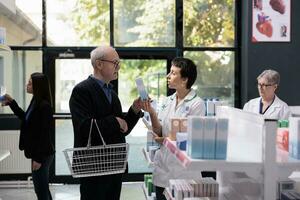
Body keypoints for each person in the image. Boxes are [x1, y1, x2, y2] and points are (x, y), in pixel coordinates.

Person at [69, 45, 143, 200]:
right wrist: (115, 121)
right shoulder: (81, 90)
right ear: (99, 64)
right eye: (115, 63)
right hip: (93, 167)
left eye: (119, 63)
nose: (119, 67)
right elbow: (84, 127)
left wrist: (134, 110)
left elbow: (122, 128)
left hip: (115, 164)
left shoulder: (111, 92)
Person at [141, 57, 206, 200]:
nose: (168, 76)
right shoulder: (167, 101)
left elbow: (190, 138)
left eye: (173, 73)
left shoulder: (197, 104)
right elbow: (159, 130)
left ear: (184, 80)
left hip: (184, 172)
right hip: (163, 171)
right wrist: (151, 112)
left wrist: (164, 140)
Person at [1, 72, 54, 200]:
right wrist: (12, 102)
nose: (27, 85)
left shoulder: (44, 106)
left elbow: (44, 135)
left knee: (41, 190)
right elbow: (26, 119)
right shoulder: (35, 101)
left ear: (38, 86)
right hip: (38, 152)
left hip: (42, 154)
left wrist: (38, 159)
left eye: (30, 83)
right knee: (42, 188)